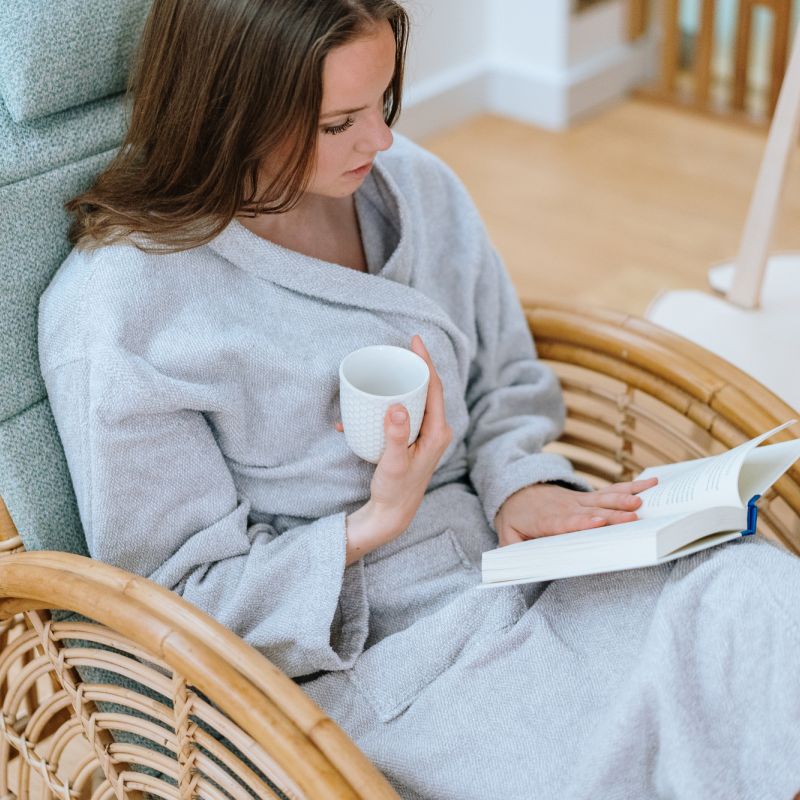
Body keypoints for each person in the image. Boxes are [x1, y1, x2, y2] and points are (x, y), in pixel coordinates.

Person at [38, 1, 800, 798]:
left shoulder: (416, 190)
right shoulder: (124, 311)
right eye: (340, 123)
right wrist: (372, 523)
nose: (383, 142)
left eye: (384, 103)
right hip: (385, 659)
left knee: (760, 605)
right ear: (233, 112)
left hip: (527, 564)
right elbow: (184, 603)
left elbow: (507, 372)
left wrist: (523, 483)